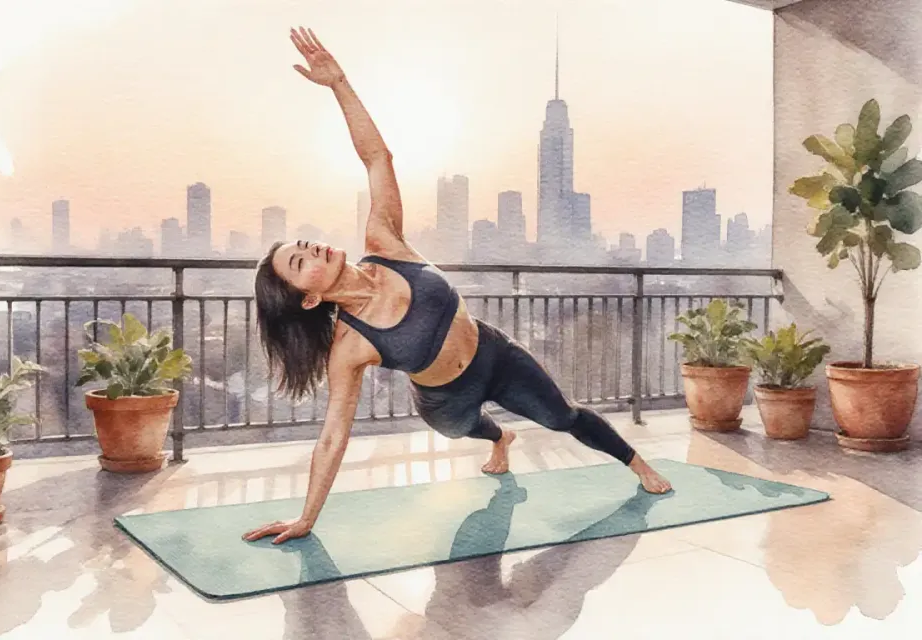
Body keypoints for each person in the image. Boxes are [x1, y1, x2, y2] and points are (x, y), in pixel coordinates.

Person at [243, 27, 672, 546]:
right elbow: (334, 435)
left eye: (305, 244)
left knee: (563, 416)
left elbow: (378, 158)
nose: (312, 249)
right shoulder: (349, 347)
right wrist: (306, 517)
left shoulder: (385, 242)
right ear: (308, 298)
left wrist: (339, 85)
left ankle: (637, 462)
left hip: (495, 354)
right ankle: (500, 438)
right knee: (468, 428)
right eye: (299, 261)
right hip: (444, 397)